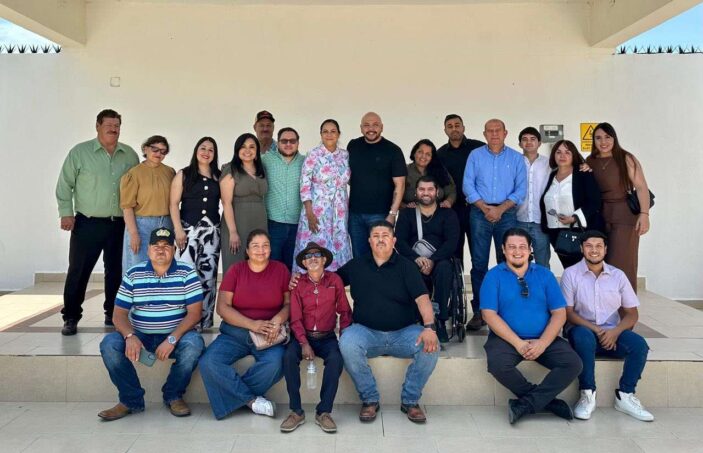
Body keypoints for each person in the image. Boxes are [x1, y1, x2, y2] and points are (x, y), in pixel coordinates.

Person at [337, 221, 439, 424]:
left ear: (393, 240)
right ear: (369, 241)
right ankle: (369, 399)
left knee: (430, 347)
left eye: (385, 235)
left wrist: (429, 327)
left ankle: (410, 400)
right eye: (376, 236)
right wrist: (301, 280)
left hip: (404, 333)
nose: (380, 239)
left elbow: (423, 299)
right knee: (347, 343)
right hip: (366, 333)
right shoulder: (356, 265)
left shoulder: (407, 267)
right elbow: (330, 282)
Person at [98, 227, 204, 421]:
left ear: (174, 249)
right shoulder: (133, 273)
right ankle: (130, 400)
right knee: (109, 345)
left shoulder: (187, 273)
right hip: (140, 336)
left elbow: (195, 314)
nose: (161, 249)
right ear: (148, 250)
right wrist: (130, 336)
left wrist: (172, 339)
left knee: (194, 345)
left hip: (176, 335)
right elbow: (119, 315)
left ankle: (173, 395)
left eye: (166, 246)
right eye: (156, 245)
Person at [481, 228, 582, 425]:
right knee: (497, 365)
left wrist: (543, 343)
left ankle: (525, 404)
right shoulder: (493, 276)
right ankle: (548, 403)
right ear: (503, 249)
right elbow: (488, 314)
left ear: (530, 250)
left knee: (573, 363)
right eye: (512, 247)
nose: (517, 251)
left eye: (522, 247)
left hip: (543, 337)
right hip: (506, 339)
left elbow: (559, 313)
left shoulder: (545, 275)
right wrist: (518, 343)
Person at [56, 109, 139, 335]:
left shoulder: (129, 155)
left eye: (117, 125)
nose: (113, 129)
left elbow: (136, 188)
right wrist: (66, 212)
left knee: (116, 271)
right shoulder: (80, 152)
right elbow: (65, 184)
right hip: (87, 224)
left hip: (118, 224)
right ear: (97, 126)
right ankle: (71, 316)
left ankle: (113, 314)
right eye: (109, 125)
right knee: (79, 270)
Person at [561, 230, 653, 421]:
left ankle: (625, 395)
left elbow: (632, 314)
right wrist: (597, 330)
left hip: (612, 332)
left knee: (639, 345)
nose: (594, 250)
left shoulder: (618, 276)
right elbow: (568, 313)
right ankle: (587, 394)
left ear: (605, 249)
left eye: (598, 246)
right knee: (583, 336)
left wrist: (615, 332)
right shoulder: (571, 274)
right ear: (582, 248)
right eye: (589, 246)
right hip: (582, 330)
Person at [199, 230, 290, 420]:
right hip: (235, 333)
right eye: (255, 246)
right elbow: (222, 307)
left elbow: (289, 304)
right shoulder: (236, 270)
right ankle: (252, 401)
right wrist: (252, 324)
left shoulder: (281, 270)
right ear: (247, 250)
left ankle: (237, 397)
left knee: (277, 362)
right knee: (208, 362)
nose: (261, 250)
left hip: (268, 334)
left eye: (265, 245)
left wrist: (277, 320)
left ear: (270, 249)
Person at [281, 242, 352, 433]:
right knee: (288, 357)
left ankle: (324, 412)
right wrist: (303, 343)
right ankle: (296, 411)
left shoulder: (334, 280)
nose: (312, 258)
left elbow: (345, 311)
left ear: (324, 260)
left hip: (327, 336)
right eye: (308, 256)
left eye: (316, 255)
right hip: (302, 335)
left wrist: (344, 337)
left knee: (336, 359)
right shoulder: (298, 283)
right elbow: (295, 318)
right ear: (304, 263)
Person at [463, 119, 526, 330]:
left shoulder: (516, 158)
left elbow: (520, 190)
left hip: (506, 214)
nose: (494, 134)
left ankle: (506, 311)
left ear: (506, 133)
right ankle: (480, 312)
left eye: (498, 130)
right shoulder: (475, 155)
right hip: (479, 213)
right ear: (484, 134)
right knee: (479, 263)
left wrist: (500, 209)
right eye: (490, 131)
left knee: (507, 262)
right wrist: (485, 208)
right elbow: (468, 185)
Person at [587, 123, 651, 292]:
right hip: (600, 217)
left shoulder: (626, 158)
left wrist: (644, 214)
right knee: (601, 262)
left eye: (607, 137)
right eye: (598, 138)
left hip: (624, 216)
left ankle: (627, 305)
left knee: (622, 262)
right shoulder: (590, 161)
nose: (603, 142)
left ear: (614, 138)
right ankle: (606, 303)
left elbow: (642, 187)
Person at [395, 176, 460, 343]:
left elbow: (452, 242)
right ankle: (416, 318)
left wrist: (433, 260)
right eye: (422, 189)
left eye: (430, 189)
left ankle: (440, 320)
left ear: (437, 192)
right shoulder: (407, 214)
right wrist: (416, 258)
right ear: (416, 192)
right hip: (413, 260)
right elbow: (399, 241)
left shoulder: (448, 214)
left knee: (445, 268)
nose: (426, 193)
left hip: (440, 260)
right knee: (407, 269)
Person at [169, 137, 222, 330]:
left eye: (211, 149)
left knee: (208, 276)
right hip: (188, 231)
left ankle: (204, 321)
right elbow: (173, 204)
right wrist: (178, 229)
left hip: (212, 232)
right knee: (186, 275)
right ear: (196, 150)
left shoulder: (219, 176)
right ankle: (183, 321)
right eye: (203, 148)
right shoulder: (183, 174)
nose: (206, 152)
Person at [293, 119, 352, 272]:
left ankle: (337, 281)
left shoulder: (345, 155)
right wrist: (309, 213)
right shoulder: (313, 154)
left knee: (338, 244)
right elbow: (304, 184)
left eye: (333, 131)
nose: (329, 135)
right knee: (315, 245)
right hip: (317, 210)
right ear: (320, 134)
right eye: (325, 131)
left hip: (339, 211)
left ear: (338, 134)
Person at [347, 112, 406, 258]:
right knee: (359, 257)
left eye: (375, 125)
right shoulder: (353, 146)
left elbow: (400, 185)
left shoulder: (393, 150)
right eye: (366, 125)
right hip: (355, 214)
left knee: (381, 255)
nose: (371, 129)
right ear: (361, 128)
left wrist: (392, 214)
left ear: (382, 127)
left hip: (381, 215)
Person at [540, 140, 604, 269]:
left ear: (573, 155)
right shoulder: (551, 175)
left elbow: (595, 201)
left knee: (583, 269)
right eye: (558, 152)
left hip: (578, 231)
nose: (562, 156)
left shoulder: (583, 174)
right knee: (569, 269)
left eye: (567, 152)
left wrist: (574, 217)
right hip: (555, 232)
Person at [120, 135, 176, 270]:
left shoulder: (170, 172)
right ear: (145, 149)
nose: (158, 154)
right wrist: (134, 234)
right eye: (155, 149)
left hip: (166, 224)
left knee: (163, 268)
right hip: (141, 225)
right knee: (138, 268)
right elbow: (127, 207)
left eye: (163, 151)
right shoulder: (134, 174)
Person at [436, 114, 485, 264]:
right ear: (445, 130)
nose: (454, 129)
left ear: (463, 128)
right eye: (450, 126)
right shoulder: (440, 154)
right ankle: (457, 280)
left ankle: (480, 281)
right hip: (452, 210)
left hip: (477, 208)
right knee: (454, 253)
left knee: (479, 254)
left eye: (457, 125)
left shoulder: (479, 148)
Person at [220, 133, 268, 274]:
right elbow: (226, 202)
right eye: (243, 147)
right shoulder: (230, 169)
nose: (247, 150)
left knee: (258, 261)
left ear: (257, 150)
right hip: (237, 222)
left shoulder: (262, 169)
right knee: (236, 262)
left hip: (259, 221)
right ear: (237, 150)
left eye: (252, 147)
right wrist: (233, 232)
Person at [262, 127, 305, 270]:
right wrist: (228, 166)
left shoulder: (306, 162)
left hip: (297, 225)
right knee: (272, 267)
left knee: (292, 267)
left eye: (292, 141)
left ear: (298, 142)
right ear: (278, 142)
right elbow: (246, 163)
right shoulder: (266, 160)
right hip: (273, 224)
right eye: (284, 141)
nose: (288, 144)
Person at [516, 127, 551, 268]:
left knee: (543, 262)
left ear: (539, 143)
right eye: (524, 139)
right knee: (518, 261)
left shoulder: (549, 163)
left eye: (532, 139)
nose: (528, 142)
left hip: (540, 221)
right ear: (520, 144)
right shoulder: (514, 161)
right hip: (518, 219)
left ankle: (542, 284)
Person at [401, 139, 456, 208]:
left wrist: (448, 202)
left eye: (428, 154)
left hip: (438, 212)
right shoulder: (403, 171)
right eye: (420, 152)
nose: (423, 156)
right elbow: (394, 195)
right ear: (414, 153)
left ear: (432, 157)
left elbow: (451, 191)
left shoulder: (440, 170)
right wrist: (406, 207)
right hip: (410, 212)